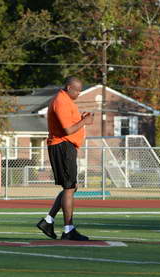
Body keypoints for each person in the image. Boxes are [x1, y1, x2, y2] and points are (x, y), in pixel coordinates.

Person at [36, 77, 94, 241]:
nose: (79, 93)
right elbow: (68, 130)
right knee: (69, 187)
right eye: (77, 90)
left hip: (65, 147)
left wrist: (81, 118)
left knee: (71, 187)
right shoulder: (61, 101)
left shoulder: (66, 101)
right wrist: (84, 121)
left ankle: (48, 221)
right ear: (69, 88)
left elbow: (70, 123)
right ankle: (68, 229)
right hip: (62, 146)